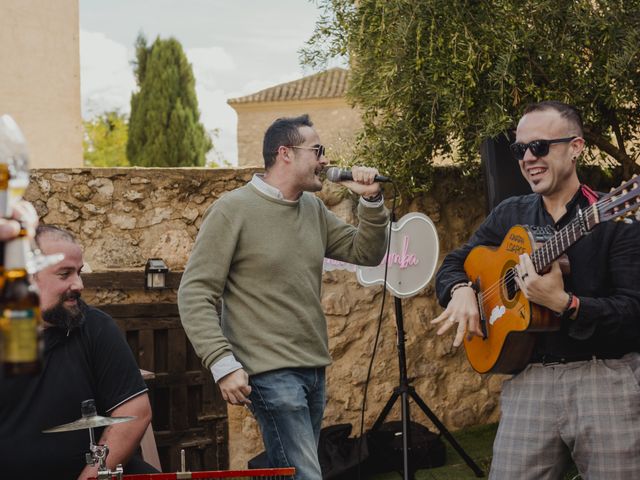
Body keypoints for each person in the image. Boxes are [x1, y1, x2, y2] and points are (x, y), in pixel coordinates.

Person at [433, 101, 640, 479]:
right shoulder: (511, 214)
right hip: (529, 379)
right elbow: (453, 262)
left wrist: (566, 303)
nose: (528, 158)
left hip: (605, 379)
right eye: (520, 149)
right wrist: (461, 289)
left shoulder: (615, 218)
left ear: (575, 147)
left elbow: (633, 311)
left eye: (540, 147)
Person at [178, 114, 390, 480]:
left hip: (312, 368)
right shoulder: (232, 210)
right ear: (285, 153)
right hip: (268, 371)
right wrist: (222, 362)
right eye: (318, 150)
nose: (325, 160)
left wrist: (371, 202)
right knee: (306, 473)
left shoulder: (313, 209)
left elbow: (365, 253)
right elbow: (195, 291)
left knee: (288, 472)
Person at [0, 225, 157, 480]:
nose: (79, 284)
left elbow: (135, 413)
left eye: (79, 272)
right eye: (65, 274)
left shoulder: (95, 327)